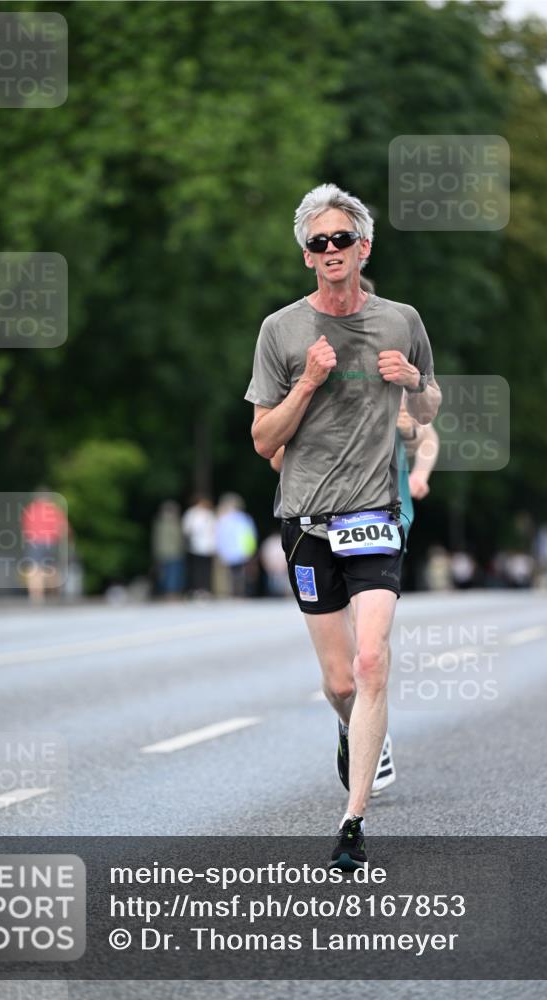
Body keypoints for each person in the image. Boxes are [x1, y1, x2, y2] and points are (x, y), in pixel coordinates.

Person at [245, 183, 440, 868]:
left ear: (364, 247)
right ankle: (358, 729)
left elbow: (429, 405)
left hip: (375, 511)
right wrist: (305, 383)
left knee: (371, 660)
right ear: (307, 255)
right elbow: (263, 440)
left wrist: (411, 379)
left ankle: (352, 824)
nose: (330, 250)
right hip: (305, 521)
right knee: (340, 683)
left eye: (341, 239)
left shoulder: (401, 320)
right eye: (317, 242)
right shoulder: (280, 331)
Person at [21, 488, 69, 603]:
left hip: (34, 542)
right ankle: (54, 594)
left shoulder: (31, 509)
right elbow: (63, 527)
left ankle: (36, 596)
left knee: (35, 569)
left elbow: (25, 527)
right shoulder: (54, 509)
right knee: (51, 568)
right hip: (50, 542)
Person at [215, 493, 258, 597]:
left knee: (232, 573)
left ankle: (233, 591)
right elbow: (250, 535)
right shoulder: (243, 518)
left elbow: (219, 537)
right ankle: (239, 591)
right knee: (239, 572)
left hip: (231, 551)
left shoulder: (224, 519)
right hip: (240, 550)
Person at [181, 495, 216, 597]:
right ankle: (196, 589)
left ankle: (205, 589)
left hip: (207, 547)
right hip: (195, 546)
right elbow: (187, 529)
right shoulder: (192, 513)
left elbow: (214, 529)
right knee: (196, 569)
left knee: (206, 569)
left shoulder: (209, 514)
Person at [151, 500, 185, 599]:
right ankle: (171, 592)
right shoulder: (175, 522)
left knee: (166, 574)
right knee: (172, 574)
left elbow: (155, 539)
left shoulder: (159, 523)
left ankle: (168, 592)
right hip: (174, 552)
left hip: (163, 552)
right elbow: (178, 538)